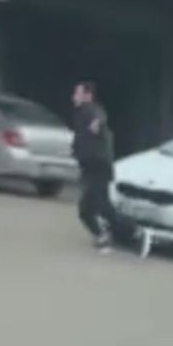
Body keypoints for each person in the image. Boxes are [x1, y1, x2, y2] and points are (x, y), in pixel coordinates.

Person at [71, 81, 150, 257]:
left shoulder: (91, 109)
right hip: (92, 168)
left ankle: (128, 233)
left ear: (87, 95)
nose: (73, 97)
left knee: (89, 209)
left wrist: (97, 123)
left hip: (98, 168)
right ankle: (124, 235)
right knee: (102, 208)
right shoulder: (81, 114)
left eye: (77, 93)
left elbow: (99, 116)